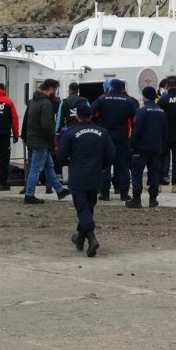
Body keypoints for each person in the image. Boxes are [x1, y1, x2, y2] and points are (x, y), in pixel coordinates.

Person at [58, 102, 115, 257]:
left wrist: (68, 163)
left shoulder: (70, 133)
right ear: (91, 115)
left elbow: (61, 155)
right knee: (88, 207)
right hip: (96, 175)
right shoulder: (102, 132)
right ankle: (80, 238)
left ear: (77, 116)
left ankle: (91, 238)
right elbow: (111, 153)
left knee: (82, 208)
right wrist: (102, 166)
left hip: (78, 175)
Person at [22, 79, 69, 204]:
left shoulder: (33, 101)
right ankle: (29, 194)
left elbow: (28, 120)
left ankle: (59, 190)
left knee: (49, 166)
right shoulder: (46, 103)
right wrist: (53, 137)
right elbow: (46, 124)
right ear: (52, 89)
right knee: (36, 168)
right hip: (42, 141)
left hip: (33, 139)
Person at [90, 79, 138, 201]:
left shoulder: (102, 99)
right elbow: (135, 121)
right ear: (122, 88)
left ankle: (105, 193)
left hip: (105, 134)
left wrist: (97, 125)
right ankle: (123, 192)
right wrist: (133, 137)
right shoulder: (128, 101)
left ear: (110, 87)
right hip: (121, 134)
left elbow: (90, 113)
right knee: (122, 164)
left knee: (105, 164)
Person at [127, 87, 168, 208]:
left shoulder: (141, 111)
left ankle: (136, 199)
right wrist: (162, 147)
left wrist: (130, 146)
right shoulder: (162, 112)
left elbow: (136, 130)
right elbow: (166, 131)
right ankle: (153, 199)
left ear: (144, 97)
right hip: (156, 148)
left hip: (141, 149)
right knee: (154, 173)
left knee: (137, 174)